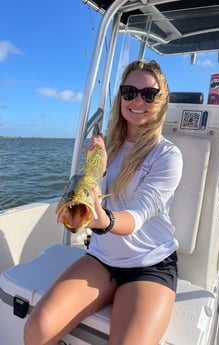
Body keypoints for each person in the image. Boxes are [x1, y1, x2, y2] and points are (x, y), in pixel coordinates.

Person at [24, 60, 183, 345]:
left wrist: (103, 221)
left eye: (148, 94)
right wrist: (75, 199)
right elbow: (91, 187)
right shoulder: (104, 146)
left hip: (150, 264)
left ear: (161, 101)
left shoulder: (167, 156)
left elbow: (137, 216)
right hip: (103, 258)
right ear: (120, 96)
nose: (137, 100)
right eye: (129, 91)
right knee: (36, 331)